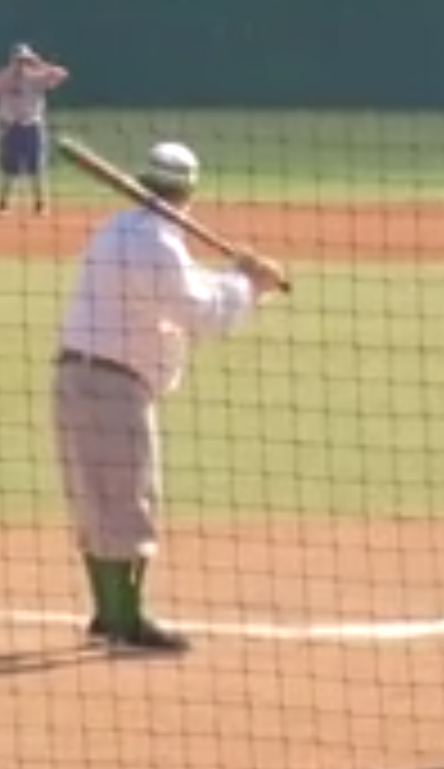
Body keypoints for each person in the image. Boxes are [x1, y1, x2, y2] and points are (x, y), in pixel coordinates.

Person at [51, 140, 288, 653]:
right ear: (190, 190)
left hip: (80, 378)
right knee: (130, 501)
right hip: (111, 385)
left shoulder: (123, 229)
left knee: (97, 501)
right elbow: (198, 313)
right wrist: (250, 285)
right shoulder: (157, 243)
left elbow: (185, 288)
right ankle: (126, 623)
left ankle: (108, 615)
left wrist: (240, 278)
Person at [0, 43, 69, 217]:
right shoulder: (5, 78)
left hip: (33, 126)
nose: (21, 63)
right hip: (11, 126)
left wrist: (39, 63)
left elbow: (62, 74)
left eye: (24, 59)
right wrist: (12, 70)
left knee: (36, 168)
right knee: (9, 168)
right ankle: (4, 204)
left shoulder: (37, 77)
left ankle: (40, 204)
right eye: (18, 59)